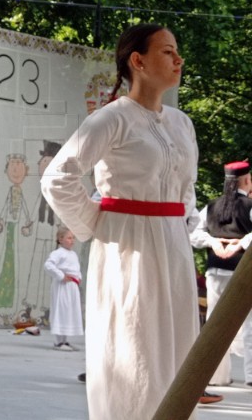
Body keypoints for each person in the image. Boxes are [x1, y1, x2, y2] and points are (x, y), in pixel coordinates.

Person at [41, 23, 201, 419]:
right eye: (167, 51)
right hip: (128, 249)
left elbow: (187, 190)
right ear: (138, 61)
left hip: (174, 250)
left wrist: (185, 231)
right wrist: (96, 222)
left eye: (176, 50)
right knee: (133, 352)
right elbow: (57, 176)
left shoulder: (182, 124)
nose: (178, 59)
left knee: (178, 350)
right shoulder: (113, 118)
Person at [190, 160, 252, 387]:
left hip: (216, 270)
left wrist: (214, 243)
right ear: (246, 179)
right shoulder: (250, 205)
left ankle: (217, 376)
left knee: (215, 324)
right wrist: (241, 244)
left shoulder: (211, 206)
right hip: (244, 273)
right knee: (250, 324)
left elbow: (193, 234)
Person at [43, 226, 83, 351]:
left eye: (73, 238)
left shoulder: (73, 254)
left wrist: (78, 277)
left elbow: (76, 269)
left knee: (68, 312)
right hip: (62, 286)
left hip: (72, 287)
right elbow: (48, 265)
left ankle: (64, 340)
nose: (72, 241)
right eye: (69, 238)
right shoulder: (57, 253)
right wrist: (61, 275)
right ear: (60, 239)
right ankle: (58, 342)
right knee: (61, 310)